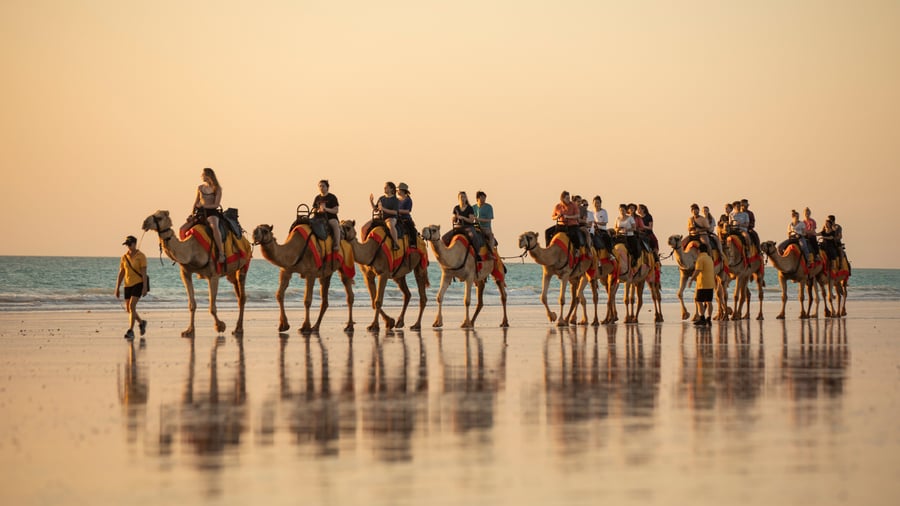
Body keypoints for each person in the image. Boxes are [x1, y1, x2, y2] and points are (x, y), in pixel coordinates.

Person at [115, 236, 148, 340]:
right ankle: (141, 322)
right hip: (127, 285)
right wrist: (117, 287)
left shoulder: (141, 256)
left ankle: (130, 330)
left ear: (134, 244)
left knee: (132, 305)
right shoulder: (124, 257)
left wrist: (145, 287)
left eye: (129, 244)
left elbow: (144, 273)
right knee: (129, 309)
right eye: (127, 245)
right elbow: (121, 273)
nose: (128, 247)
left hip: (138, 284)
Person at [191, 167, 226, 264]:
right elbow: (196, 202)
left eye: (203, 174)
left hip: (212, 212)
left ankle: (221, 253)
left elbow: (216, 204)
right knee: (183, 228)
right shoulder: (200, 188)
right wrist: (191, 214)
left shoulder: (217, 188)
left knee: (214, 227)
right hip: (200, 213)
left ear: (208, 176)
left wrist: (204, 206)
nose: (202, 176)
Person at [688, 243, 715, 326]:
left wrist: (691, 279)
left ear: (699, 250)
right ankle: (709, 318)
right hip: (711, 283)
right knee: (709, 302)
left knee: (698, 301)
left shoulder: (700, 259)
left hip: (703, 284)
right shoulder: (710, 258)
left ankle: (702, 318)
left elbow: (697, 271)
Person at [369, 182, 401, 250]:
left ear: (391, 189)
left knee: (390, 225)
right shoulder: (381, 198)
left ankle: (396, 243)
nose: (384, 188)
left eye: (386, 187)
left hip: (391, 218)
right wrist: (371, 201)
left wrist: (383, 209)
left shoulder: (395, 200)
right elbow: (376, 209)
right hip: (381, 218)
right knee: (365, 227)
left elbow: (395, 212)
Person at [313, 179, 341, 251]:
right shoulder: (317, 198)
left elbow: (336, 210)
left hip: (330, 218)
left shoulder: (332, 197)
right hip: (319, 218)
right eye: (320, 186)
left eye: (323, 186)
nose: (321, 188)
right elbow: (314, 209)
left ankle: (336, 244)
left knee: (335, 224)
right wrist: (317, 210)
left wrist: (326, 209)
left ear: (327, 187)